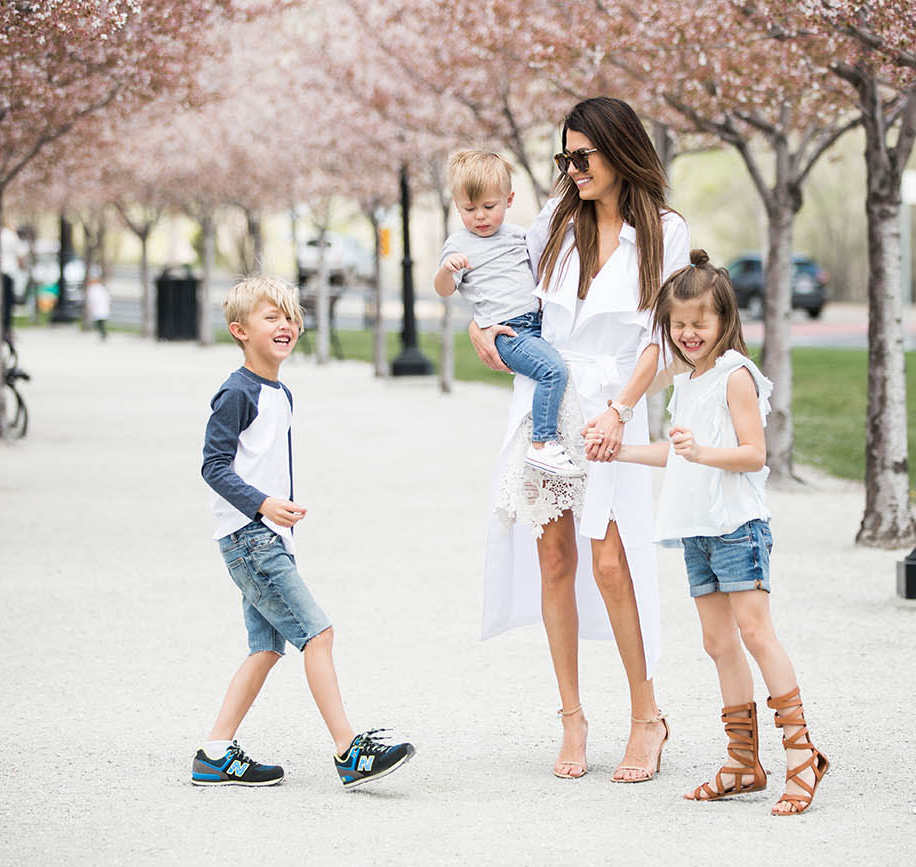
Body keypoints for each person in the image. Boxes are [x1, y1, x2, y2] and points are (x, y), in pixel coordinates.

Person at [470, 97, 688, 782]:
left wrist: (621, 409)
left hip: (612, 410)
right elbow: (506, 293)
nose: (571, 169)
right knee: (555, 559)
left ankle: (647, 717)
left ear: (619, 152)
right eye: (564, 157)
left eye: (581, 157)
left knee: (613, 562)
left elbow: (663, 337)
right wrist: (483, 331)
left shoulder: (664, 232)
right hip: (546, 406)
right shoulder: (555, 223)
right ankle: (571, 716)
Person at [612, 250, 830, 816]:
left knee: (756, 634)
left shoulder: (736, 376)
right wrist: (622, 451)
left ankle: (804, 756)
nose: (688, 334)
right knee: (717, 643)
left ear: (724, 321)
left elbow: (755, 455)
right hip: (697, 530)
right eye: (678, 325)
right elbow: (678, 455)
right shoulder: (687, 380)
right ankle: (742, 761)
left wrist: (702, 452)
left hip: (737, 527)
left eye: (698, 324)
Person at [194, 275, 416, 789]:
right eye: (271, 317)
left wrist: (276, 520)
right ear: (239, 330)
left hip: (270, 539)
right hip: (251, 538)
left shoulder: (281, 392)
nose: (286, 325)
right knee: (318, 633)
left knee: (267, 649)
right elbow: (214, 466)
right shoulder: (235, 392)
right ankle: (348, 752)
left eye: (291, 316)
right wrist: (264, 505)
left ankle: (215, 752)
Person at [435, 150, 581, 478]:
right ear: (457, 205)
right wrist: (447, 269)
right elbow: (444, 290)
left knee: (558, 369)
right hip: (508, 333)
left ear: (509, 199)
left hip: (535, 323)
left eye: (489, 207)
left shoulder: (518, 236)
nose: (480, 217)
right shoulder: (458, 245)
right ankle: (542, 444)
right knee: (553, 371)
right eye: (468, 209)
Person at [85, 266, 110, 340]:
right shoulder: (96, 288)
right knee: (99, 321)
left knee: (100, 321)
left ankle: (103, 334)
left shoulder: (96, 288)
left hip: (99, 308)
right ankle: (102, 334)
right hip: (99, 308)